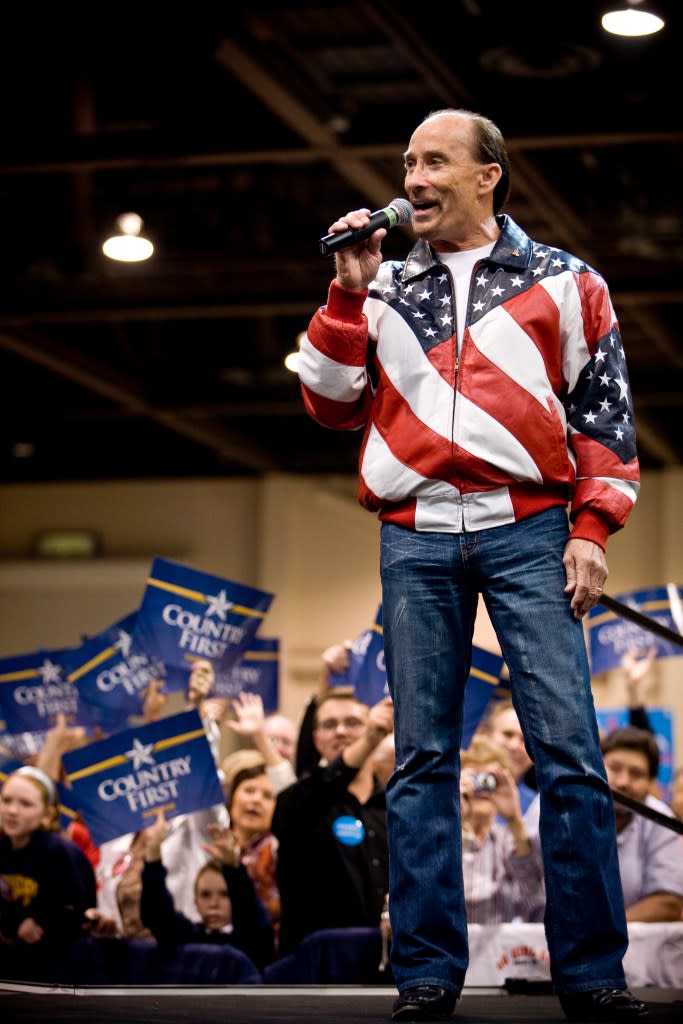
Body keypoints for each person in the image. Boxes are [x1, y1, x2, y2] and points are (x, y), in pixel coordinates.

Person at [298, 107, 644, 1022]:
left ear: (487, 175)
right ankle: (424, 974)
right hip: (413, 536)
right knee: (419, 761)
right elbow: (327, 406)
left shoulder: (568, 284)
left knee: (567, 754)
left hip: (529, 529)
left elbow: (603, 422)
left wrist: (591, 529)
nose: (412, 175)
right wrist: (344, 291)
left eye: (434, 161)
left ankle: (592, 975)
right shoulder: (375, 282)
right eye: (407, 160)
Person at [271, 690, 393, 956]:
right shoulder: (298, 801)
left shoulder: (395, 806)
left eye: (353, 723)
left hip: (387, 965)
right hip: (314, 970)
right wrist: (369, 738)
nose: (340, 731)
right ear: (315, 740)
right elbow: (323, 785)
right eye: (329, 724)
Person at [139, 809, 275, 969]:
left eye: (224, 895)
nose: (213, 903)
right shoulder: (188, 938)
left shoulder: (251, 942)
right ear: (195, 902)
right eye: (205, 895)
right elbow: (158, 916)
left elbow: (254, 922)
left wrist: (233, 869)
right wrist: (153, 853)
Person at [0, 766, 97, 981]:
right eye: (6, 800)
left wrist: (42, 922)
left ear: (48, 813)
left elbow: (80, 908)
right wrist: (13, 923)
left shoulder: (61, 852)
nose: (12, 810)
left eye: (25, 804)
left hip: (59, 969)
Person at [460, 736, 544, 924]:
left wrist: (514, 820)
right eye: (474, 779)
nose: (481, 788)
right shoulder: (439, 839)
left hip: (500, 951)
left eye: (489, 781)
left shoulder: (509, 840)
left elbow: (536, 903)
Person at [226, 762, 281, 942]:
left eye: (267, 796)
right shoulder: (207, 842)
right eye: (249, 791)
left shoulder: (279, 851)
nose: (256, 800)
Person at [474, 698, 536, 813]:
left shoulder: (539, 807)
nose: (515, 746)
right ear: (484, 734)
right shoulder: (454, 784)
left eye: (525, 740)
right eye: (508, 734)